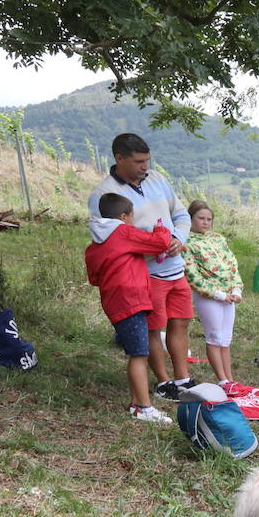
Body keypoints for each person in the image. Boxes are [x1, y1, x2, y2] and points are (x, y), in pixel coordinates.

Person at [88, 133, 197, 401]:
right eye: (138, 161)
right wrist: (153, 244)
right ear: (119, 158)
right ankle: (163, 382)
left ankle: (183, 378)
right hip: (145, 275)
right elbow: (109, 239)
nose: (144, 167)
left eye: (147, 160)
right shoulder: (103, 194)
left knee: (180, 322)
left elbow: (181, 214)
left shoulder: (158, 179)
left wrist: (178, 239)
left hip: (175, 267)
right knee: (154, 328)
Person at [84, 192, 174, 424]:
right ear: (124, 216)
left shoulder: (94, 245)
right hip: (131, 300)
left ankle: (136, 403)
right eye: (133, 217)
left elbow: (94, 278)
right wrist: (161, 228)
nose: (134, 222)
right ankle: (144, 408)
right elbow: (161, 243)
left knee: (138, 353)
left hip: (115, 302)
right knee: (139, 355)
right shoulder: (122, 232)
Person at [181, 200, 245, 393]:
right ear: (190, 218)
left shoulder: (218, 238)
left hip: (229, 295)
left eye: (209, 219)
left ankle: (230, 378)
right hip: (209, 296)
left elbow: (231, 263)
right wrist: (218, 294)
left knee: (226, 338)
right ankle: (222, 380)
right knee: (215, 336)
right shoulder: (186, 242)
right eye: (201, 218)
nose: (205, 222)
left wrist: (236, 290)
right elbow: (192, 275)